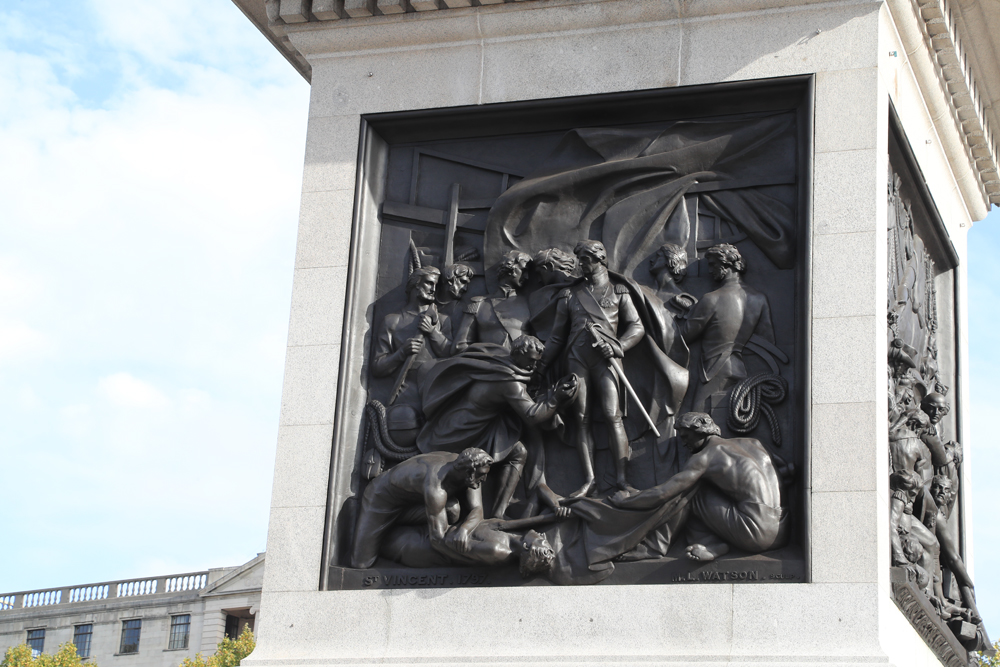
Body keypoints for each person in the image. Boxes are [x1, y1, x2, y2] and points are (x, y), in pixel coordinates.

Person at [416, 335, 579, 519]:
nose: (534, 367)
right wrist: (556, 398)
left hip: (468, 424)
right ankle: (495, 516)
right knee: (518, 453)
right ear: (519, 354)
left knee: (517, 450)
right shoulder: (510, 382)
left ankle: (497, 515)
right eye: (531, 361)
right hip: (462, 433)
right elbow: (532, 415)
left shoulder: (496, 356)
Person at [541, 240, 646, 497]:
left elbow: (637, 327)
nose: (580, 265)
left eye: (585, 260)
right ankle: (589, 480)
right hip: (577, 359)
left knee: (613, 415)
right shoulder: (569, 295)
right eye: (580, 260)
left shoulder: (619, 292)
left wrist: (618, 346)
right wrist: (541, 365)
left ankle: (622, 480)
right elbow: (556, 338)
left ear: (600, 259)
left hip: (607, 361)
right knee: (581, 419)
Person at [609, 412, 785, 562]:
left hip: (755, 533)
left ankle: (655, 547)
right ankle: (713, 542)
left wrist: (627, 501)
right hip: (781, 529)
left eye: (685, 436)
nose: (684, 443)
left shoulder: (705, 457)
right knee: (706, 485)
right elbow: (786, 470)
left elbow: (663, 493)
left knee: (690, 492)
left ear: (699, 430)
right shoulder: (753, 443)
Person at [349, 448, 494, 569]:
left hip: (416, 501)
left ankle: (402, 532)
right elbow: (438, 539)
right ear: (468, 473)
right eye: (482, 475)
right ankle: (388, 539)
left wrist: (464, 530)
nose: (485, 479)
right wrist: (478, 557)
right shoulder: (436, 485)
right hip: (381, 500)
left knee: (452, 509)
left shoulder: (467, 465)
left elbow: (477, 510)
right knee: (361, 563)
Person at [679, 243, 775, 412]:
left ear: (726, 264)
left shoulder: (711, 299)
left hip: (715, 370)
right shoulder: (759, 299)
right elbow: (768, 340)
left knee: (697, 419)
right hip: (739, 368)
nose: (710, 271)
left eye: (713, 265)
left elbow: (684, 336)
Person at [372, 266, 453, 405]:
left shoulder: (443, 320)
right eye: (429, 283)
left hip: (437, 391)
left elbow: (451, 354)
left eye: (436, 285)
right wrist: (402, 353)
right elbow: (378, 367)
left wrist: (433, 332)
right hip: (405, 394)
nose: (433, 289)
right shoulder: (392, 321)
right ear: (416, 283)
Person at [455, 250, 532, 354]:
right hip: (488, 366)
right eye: (524, 270)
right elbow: (460, 346)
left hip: (521, 366)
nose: (527, 277)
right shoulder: (477, 304)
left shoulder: (530, 303)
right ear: (511, 269)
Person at [437, 263, 475, 340]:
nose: (465, 289)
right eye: (463, 282)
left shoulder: (462, 310)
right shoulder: (428, 302)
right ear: (450, 280)